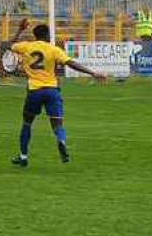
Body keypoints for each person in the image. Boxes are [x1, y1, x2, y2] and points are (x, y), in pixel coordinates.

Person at [9, 19, 106, 168]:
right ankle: (61, 141)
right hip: (51, 90)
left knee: (27, 123)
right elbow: (71, 63)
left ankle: (23, 156)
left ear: (35, 36)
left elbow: (10, 45)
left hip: (34, 90)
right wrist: (92, 73)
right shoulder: (53, 49)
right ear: (47, 35)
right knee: (57, 123)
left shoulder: (26, 46)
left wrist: (20, 29)